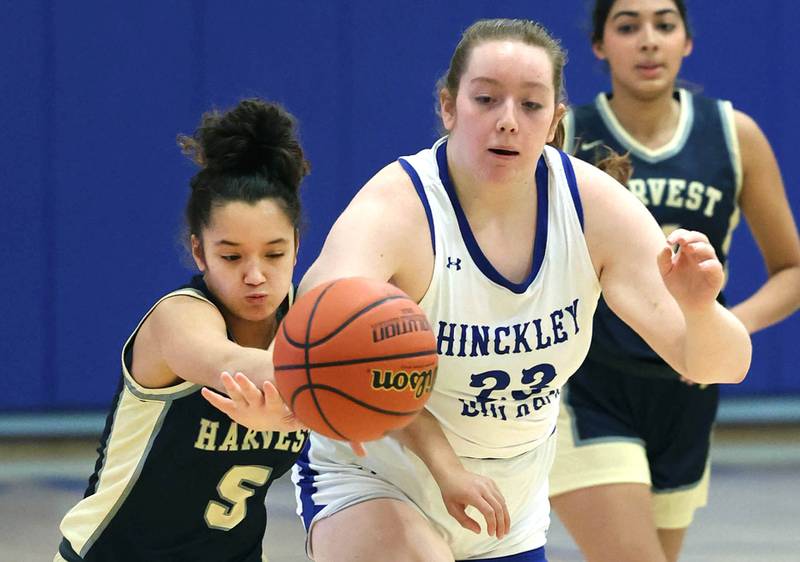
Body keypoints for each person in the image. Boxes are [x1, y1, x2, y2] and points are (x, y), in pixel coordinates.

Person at [208, 18, 751, 562]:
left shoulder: (594, 209)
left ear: (556, 118)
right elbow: (314, 347)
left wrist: (700, 308)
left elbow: (717, 364)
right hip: (377, 476)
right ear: (449, 107)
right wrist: (290, 400)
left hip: (508, 500)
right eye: (486, 99)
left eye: (531, 105)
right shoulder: (397, 212)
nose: (508, 122)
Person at [548, 2, 800, 562]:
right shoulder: (567, 136)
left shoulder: (734, 136)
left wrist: (728, 329)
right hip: (589, 387)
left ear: (686, 41)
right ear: (598, 45)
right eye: (627, 26)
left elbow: (792, 269)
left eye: (664, 25)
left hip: (688, 391)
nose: (648, 41)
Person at [54, 98, 310, 562]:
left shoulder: (313, 320)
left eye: (274, 254)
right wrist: (314, 404)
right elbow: (234, 366)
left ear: (297, 247)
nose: (255, 275)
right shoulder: (178, 319)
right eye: (232, 256)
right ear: (199, 253)